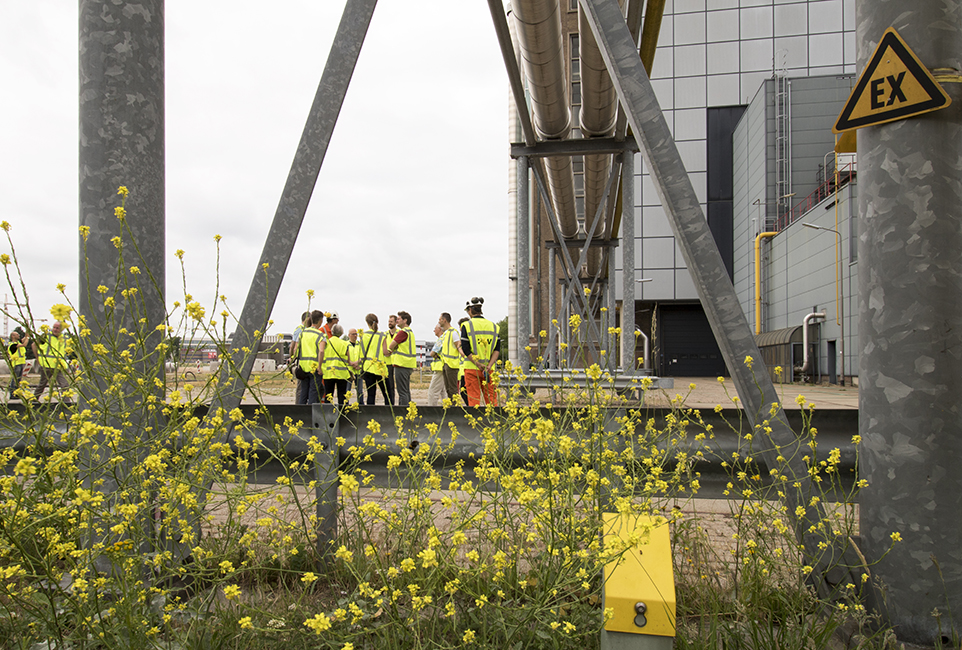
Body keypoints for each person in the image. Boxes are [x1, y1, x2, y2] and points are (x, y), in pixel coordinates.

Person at [460, 297, 499, 406]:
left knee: (473, 400)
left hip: (472, 369)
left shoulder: (466, 326)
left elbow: (466, 349)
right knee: (492, 400)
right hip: (489, 369)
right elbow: (497, 349)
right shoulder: (494, 326)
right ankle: (494, 422)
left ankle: (475, 422)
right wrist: (489, 365)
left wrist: (477, 364)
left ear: (470, 310)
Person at [32, 321, 71, 402]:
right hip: (47, 365)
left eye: (57, 328)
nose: (55, 329)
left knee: (65, 385)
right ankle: (34, 401)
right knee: (42, 384)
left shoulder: (65, 338)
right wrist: (37, 358)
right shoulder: (46, 336)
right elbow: (34, 345)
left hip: (60, 366)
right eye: (54, 327)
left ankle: (67, 404)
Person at [383, 311, 416, 407]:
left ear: (405, 320)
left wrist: (393, 348)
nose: (397, 321)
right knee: (406, 391)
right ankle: (408, 410)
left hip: (401, 364)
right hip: (408, 364)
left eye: (399, 319)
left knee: (402, 392)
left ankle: (403, 410)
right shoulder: (410, 332)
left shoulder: (403, 332)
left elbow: (391, 345)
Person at [360, 313, 391, 406]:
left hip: (368, 367)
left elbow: (360, 353)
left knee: (371, 393)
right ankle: (389, 412)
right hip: (380, 368)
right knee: (387, 393)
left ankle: (371, 414)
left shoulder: (363, 336)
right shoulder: (382, 335)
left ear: (367, 323)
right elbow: (385, 352)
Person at [298, 310, 326, 404]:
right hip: (314, 368)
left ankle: (301, 414)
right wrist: (320, 367)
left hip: (303, 367)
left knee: (303, 393)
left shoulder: (302, 333)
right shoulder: (320, 335)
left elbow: (296, 349)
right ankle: (311, 414)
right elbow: (321, 351)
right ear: (321, 321)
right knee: (313, 393)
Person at [319, 323, 350, 405]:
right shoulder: (345, 344)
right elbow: (349, 360)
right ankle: (343, 415)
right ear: (341, 333)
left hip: (328, 373)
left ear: (332, 332)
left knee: (328, 396)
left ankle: (328, 415)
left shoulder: (327, 343)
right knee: (342, 396)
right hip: (342, 374)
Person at [438, 312, 461, 401]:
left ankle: (455, 409)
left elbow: (458, 346)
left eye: (440, 320)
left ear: (444, 320)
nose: (439, 322)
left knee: (453, 389)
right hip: (446, 363)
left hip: (452, 364)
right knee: (448, 389)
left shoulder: (453, 333)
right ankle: (452, 407)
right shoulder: (446, 334)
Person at [290, 311, 312, 404]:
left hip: (304, 361)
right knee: (301, 387)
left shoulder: (302, 329)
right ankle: (299, 406)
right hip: (301, 361)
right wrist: (293, 359)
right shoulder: (301, 330)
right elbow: (293, 346)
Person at [426, 324, 446, 406]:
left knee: (433, 391)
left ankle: (431, 409)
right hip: (446, 367)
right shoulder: (447, 338)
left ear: (439, 329)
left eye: (435, 329)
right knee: (444, 391)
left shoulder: (441, 339)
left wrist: (435, 354)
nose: (434, 330)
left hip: (439, 368)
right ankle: (447, 409)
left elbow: (432, 353)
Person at [7, 330, 29, 400]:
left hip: (21, 363)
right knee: (15, 380)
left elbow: (24, 340)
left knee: (18, 380)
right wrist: (27, 337)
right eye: (17, 334)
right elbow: (24, 344)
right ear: (12, 336)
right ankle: (12, 394)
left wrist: (26, 335)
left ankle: (17, 393)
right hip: (16, 364)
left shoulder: (18, 343)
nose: (18, 335)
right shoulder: (12, 345)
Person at [347, 328, 364, 405]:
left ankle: (361, 404)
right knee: (347, 390)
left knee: (360, 390)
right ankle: (346, 404)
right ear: (349, 335)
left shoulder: (360, 345)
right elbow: (345, 356)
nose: (355, 336)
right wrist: (351, 364)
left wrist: (357, 363)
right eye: (353, 334)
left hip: (358, 370)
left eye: (356, 334)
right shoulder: (346, 344)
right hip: (349, 371)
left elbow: (363, 356)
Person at [385, 314, 398, 404]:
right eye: (389, 321)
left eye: (391, 322)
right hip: (388, 361)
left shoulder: (399, 333)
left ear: (395, 323)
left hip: (397, 361)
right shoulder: (385, 334)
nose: (389, 323)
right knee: (389, 384)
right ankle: (390, 403)